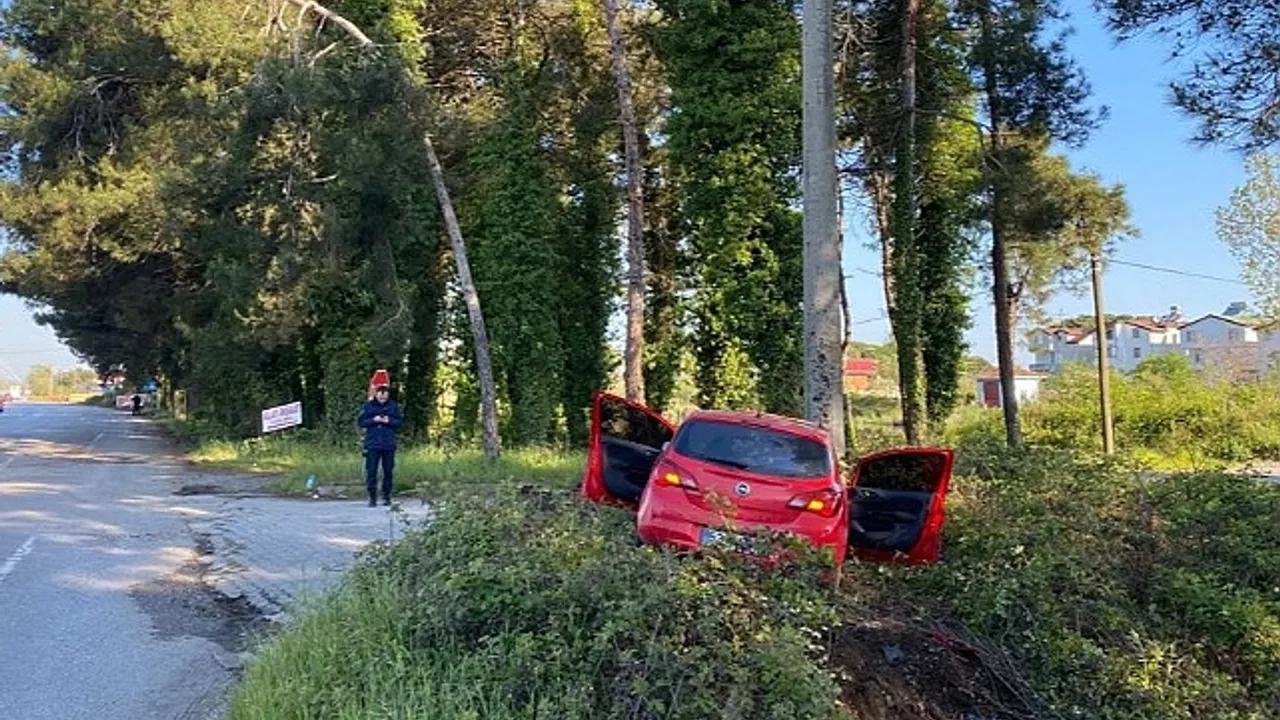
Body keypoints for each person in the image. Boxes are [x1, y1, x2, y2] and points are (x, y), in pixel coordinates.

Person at [357, 383, 403, 507]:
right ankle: (372, 497)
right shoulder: (368, 406)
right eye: (380, 395)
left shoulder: (393, 406)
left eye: (385, 395)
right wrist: (374, 420)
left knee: (388, 472)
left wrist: (389, 421)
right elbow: (361, 422)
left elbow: (399, 422)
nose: (383, 397)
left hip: (388, 444)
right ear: (376, 394)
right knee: (371, 471)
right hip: (372, 444)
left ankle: (386, 496)